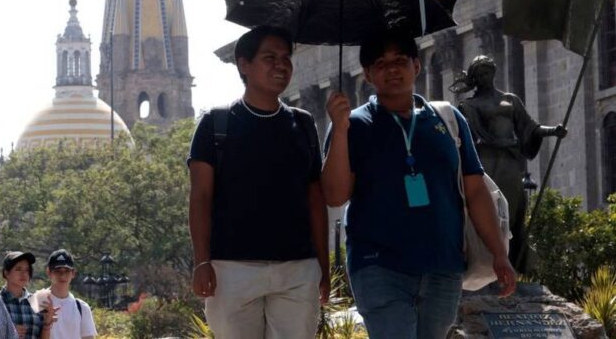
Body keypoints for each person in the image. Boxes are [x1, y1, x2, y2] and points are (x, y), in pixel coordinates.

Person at [322, 32, 517, 339]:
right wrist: (341, 131)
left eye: (400, 60)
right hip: (379, 266)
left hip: (443, 265)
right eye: (380, 63)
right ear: (368, 75)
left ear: (416, 65)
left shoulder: (449, 120)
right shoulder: (353, 125)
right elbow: (335, 196)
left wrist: (499, 253)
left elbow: (476, 191)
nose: (392, 69)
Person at [187, 25, 329, 339]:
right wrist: (201, 262)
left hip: (297, 267)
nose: (281, 65)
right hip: (232, 269)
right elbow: (200, 198)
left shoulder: (303, 123)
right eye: (270, 57)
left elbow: (315, 199)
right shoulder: (215, 123)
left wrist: (323, 265)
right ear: (244, 64)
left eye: (286, 58)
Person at [451, 55, 566, 270]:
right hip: (485, 161)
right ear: (475, 78)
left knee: (512, 211)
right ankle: (485, 265)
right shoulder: (469, 105)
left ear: (494, 72)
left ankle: (512, 263)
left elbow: (530, 127)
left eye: (488, 72)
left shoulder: (511, 100)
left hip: (509, 162)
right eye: (480, 73)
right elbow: (468, 137)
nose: (485, 77)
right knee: (486, 211)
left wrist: (553, 131)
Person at [34, 249, 97, 339]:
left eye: (67, 271)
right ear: (48, 272)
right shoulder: (38, 301)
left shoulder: (82, 307)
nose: (62, 276)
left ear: (73, 273)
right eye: (57, 271)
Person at [0, 251, 58, 339]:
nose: (24, 273)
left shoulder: (37, 302)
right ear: (6, 273)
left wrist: (47, 324)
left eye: (27, 270)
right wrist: (8, 333)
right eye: (18, 269)